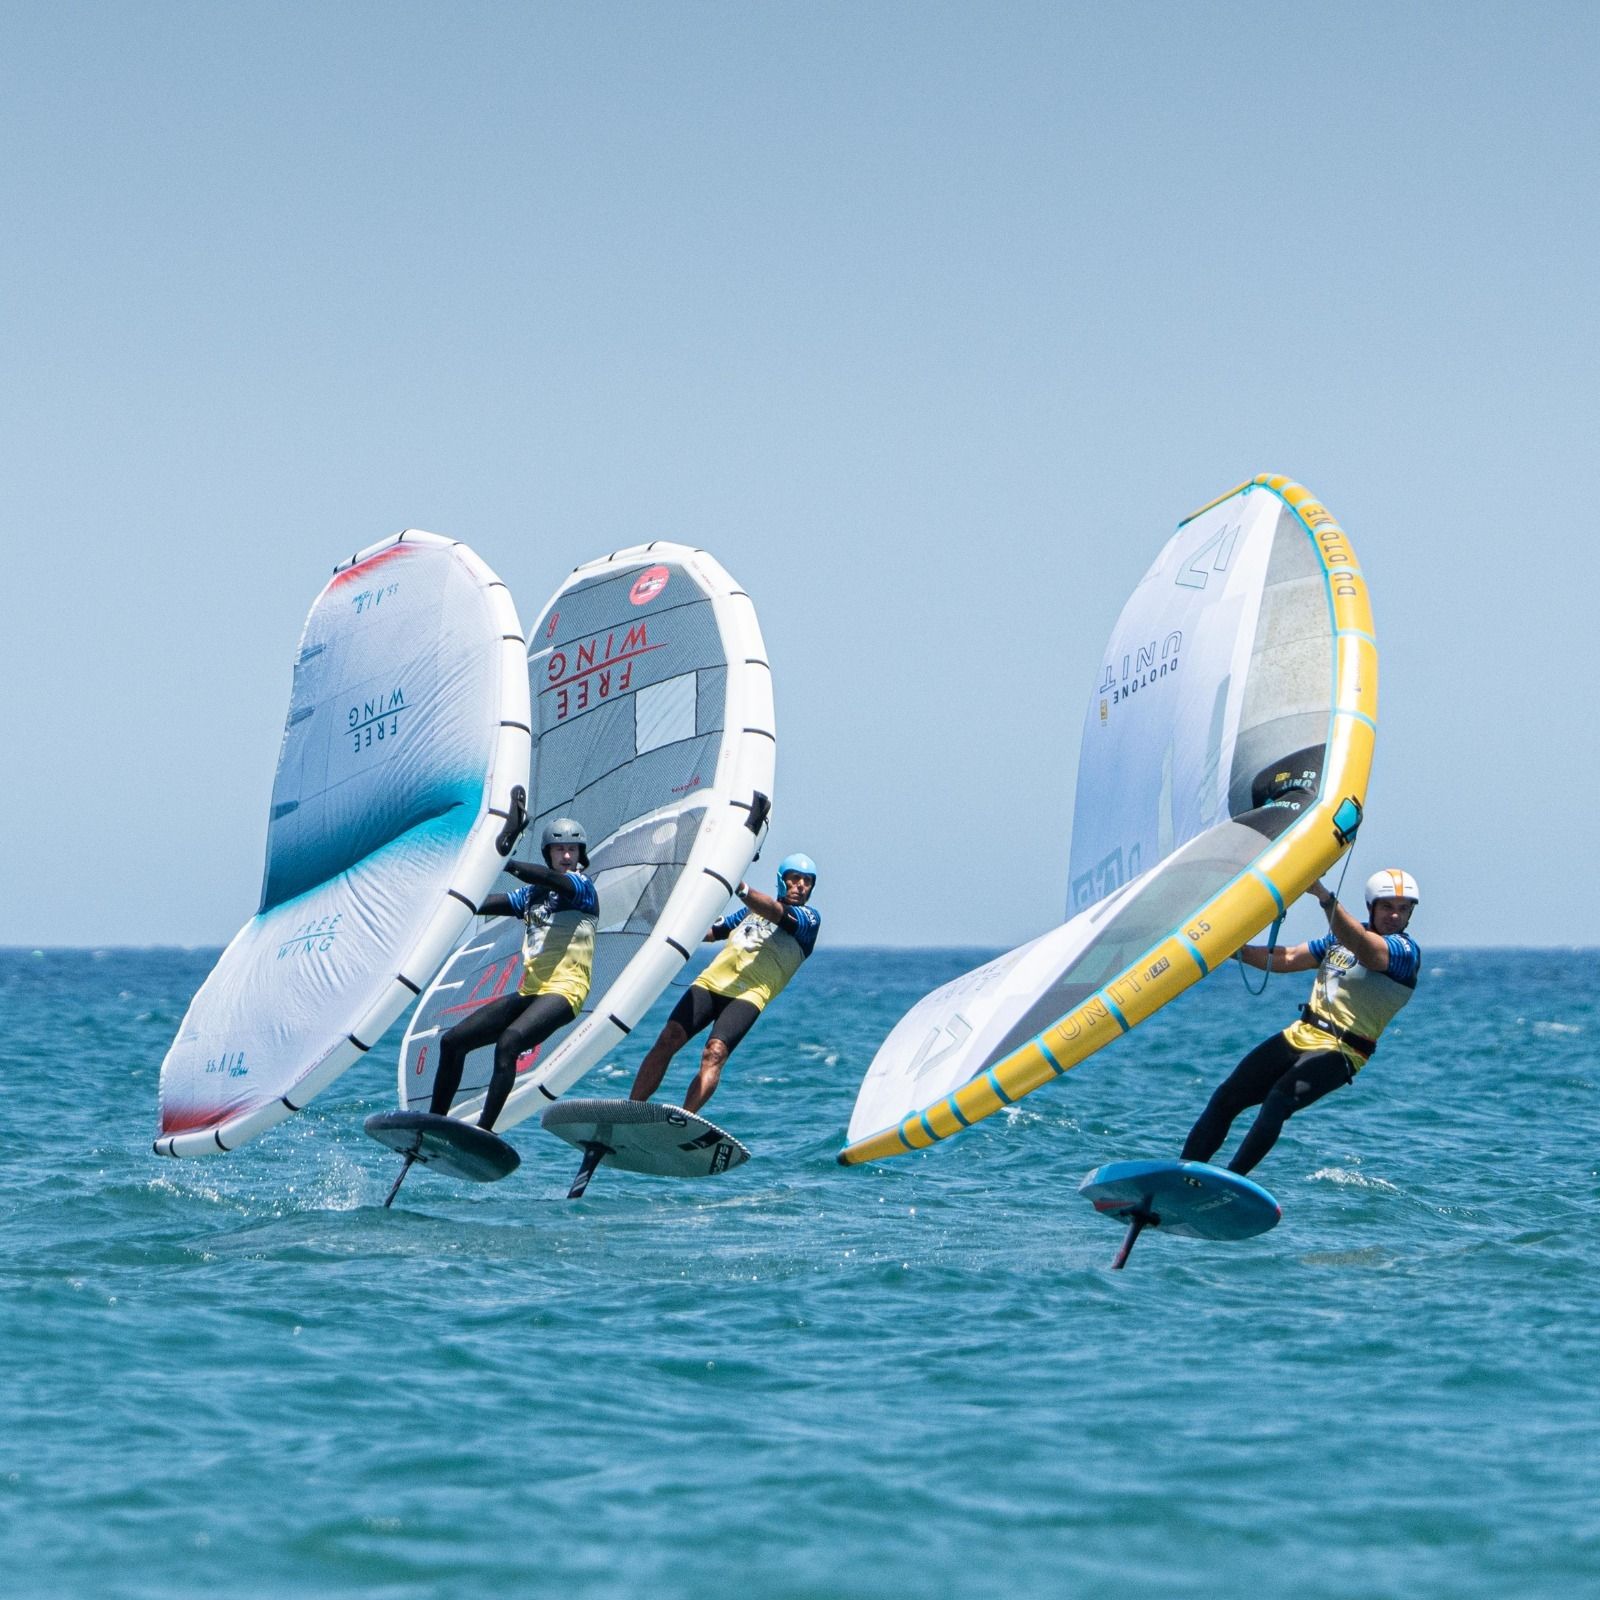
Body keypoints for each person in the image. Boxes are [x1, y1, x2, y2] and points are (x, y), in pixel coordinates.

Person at [1180, 867, 1422, 1176]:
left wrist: (1323, 895)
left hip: (1341, 1052)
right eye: (1387, 907)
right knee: (1227, 1096)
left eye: (1403, 909)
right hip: (1300, 1034)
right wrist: (1231, 950)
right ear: (1371, 907)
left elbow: (1365, 949)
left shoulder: (1404, 952)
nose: (1394, 916)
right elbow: (1291, 956)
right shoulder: (1339, 939)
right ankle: (1183, 1174)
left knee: (1278, 1101)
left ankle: (1230, 1181)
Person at [428, 817, 599, 1132]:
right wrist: (440, 895)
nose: (566, 856)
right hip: (531, 993)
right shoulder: (531, 896)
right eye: (559, 849)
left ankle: (483, 1130)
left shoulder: (580, 887)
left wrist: (506, 861)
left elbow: (551, 879)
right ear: (548, 851)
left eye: (572, 850)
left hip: (565, 992)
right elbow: (478, 905)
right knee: (453, 1042)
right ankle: (433, 1124)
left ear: (580, 854)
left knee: (509, 1042)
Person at [628, 852, 821, 1113]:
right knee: (668, 1039)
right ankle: (631, 1110)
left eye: (807, 881)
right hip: (711, 983)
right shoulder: (748, 913)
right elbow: (708, 932)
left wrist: (739, 887)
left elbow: (775, 911)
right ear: (781, 880)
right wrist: (657, 919)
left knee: (714, 1053)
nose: (800, 886)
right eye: (794, 878)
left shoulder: (809, 920)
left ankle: (684, 1120)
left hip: (749, 995)